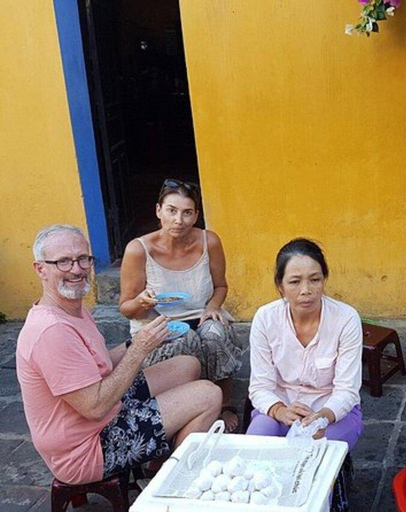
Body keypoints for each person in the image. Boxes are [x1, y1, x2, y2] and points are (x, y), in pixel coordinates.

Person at [17, 225, 221, 485]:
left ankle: (157, 462)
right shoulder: (51, 331)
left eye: (83, 259)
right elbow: (95, 407)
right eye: (63, 262)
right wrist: (140, 349)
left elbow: (98, 363)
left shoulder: (70, 309)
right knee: (209, 395)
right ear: (40, 269)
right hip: (86, 449)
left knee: (187, 365)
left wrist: (138, 341)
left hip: (100, 415)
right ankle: (173, 484)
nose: (77, 269)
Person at [119, 179, 243, 433]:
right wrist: (142, 302)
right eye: (172, 211)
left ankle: (224, 403)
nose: (179, 220)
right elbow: (126, 308)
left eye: (187, 213)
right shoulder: (139, 249)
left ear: (196, 215)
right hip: (157, 323)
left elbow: (221, 286)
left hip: (200, 315)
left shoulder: (209, 242)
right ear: (158, 211)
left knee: (215, 334)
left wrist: (213, 307)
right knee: (184, 339)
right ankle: (184, 408)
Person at [246, 238, 364, 450]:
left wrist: (322, 417)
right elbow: (260, 387)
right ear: (279, 285)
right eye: (294, 282)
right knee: (256, 446)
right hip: (281, 408)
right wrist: (279, 410)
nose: (306, 290)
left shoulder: (346, 319)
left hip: (331, 412)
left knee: (317, 456)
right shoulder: (265, 318)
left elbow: (347, 390)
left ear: (324, 279)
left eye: (315, 280)